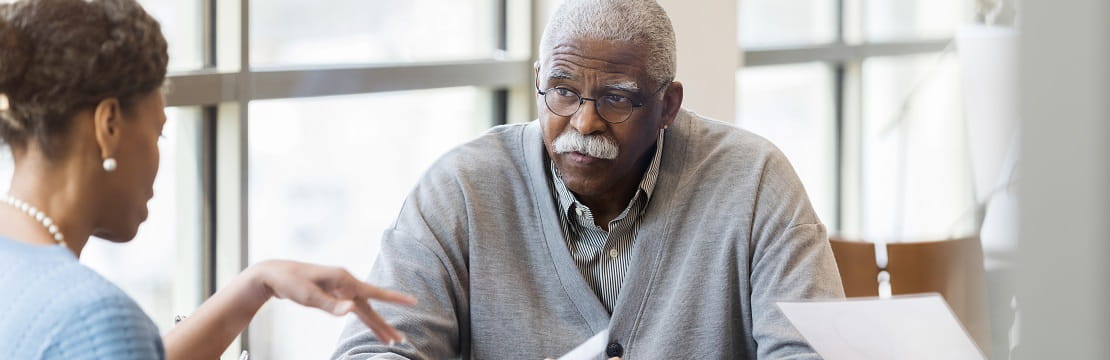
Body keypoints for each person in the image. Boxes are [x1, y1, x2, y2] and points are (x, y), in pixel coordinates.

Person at [332, 0, 845, 359]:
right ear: (538, 80)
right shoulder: (461, 189)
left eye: (617, 98)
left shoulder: (754, 181)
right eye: (562, 91)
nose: (584, 122)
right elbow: (372, 350)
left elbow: (813, 352)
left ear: (668, 105)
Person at [0, 0, 415, 358]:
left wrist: (257, 283)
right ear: (108, 125)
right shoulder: (94, 317)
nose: (160, 156)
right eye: (159, 131)